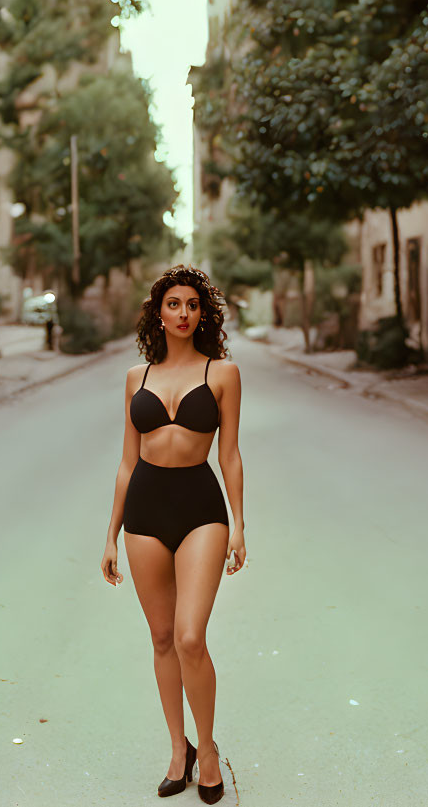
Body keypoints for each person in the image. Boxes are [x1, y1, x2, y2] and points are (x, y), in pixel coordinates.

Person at [101, 265, 245, 803]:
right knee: (162, 638)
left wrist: (240, 524)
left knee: (189, 637)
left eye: (192, 305)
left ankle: (207, 751)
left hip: (202, 508)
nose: (183, 314)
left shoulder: (222, 373)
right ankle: (178, 749)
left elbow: (229, 455)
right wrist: (110, 535)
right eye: (173, 304)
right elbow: (124, 462)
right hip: (144, 510)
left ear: (202, 313)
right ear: (157, 314)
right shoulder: (134, 379)